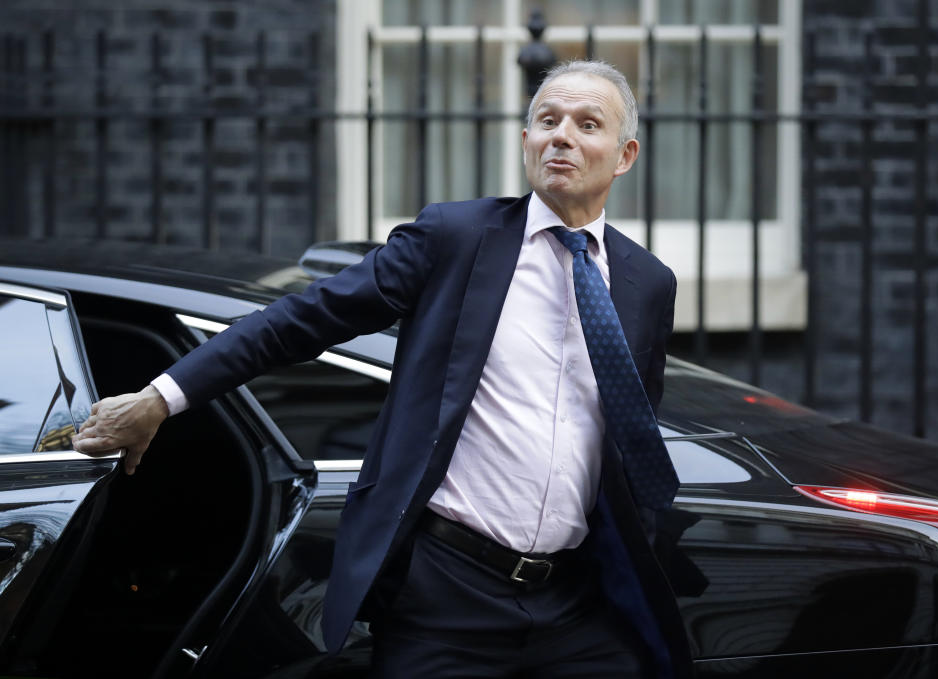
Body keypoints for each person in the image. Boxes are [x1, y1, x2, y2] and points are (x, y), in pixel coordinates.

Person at [73, 60, 692, 678]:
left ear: (624, 155)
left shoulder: (647, 284)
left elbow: (633, 440)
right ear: (526, 139)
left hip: (578, 607)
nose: (562, 136)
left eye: (588, 124)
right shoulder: (456, 236)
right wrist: (159, 399)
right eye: (547, 120)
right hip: (448, 596)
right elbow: (302, 320)